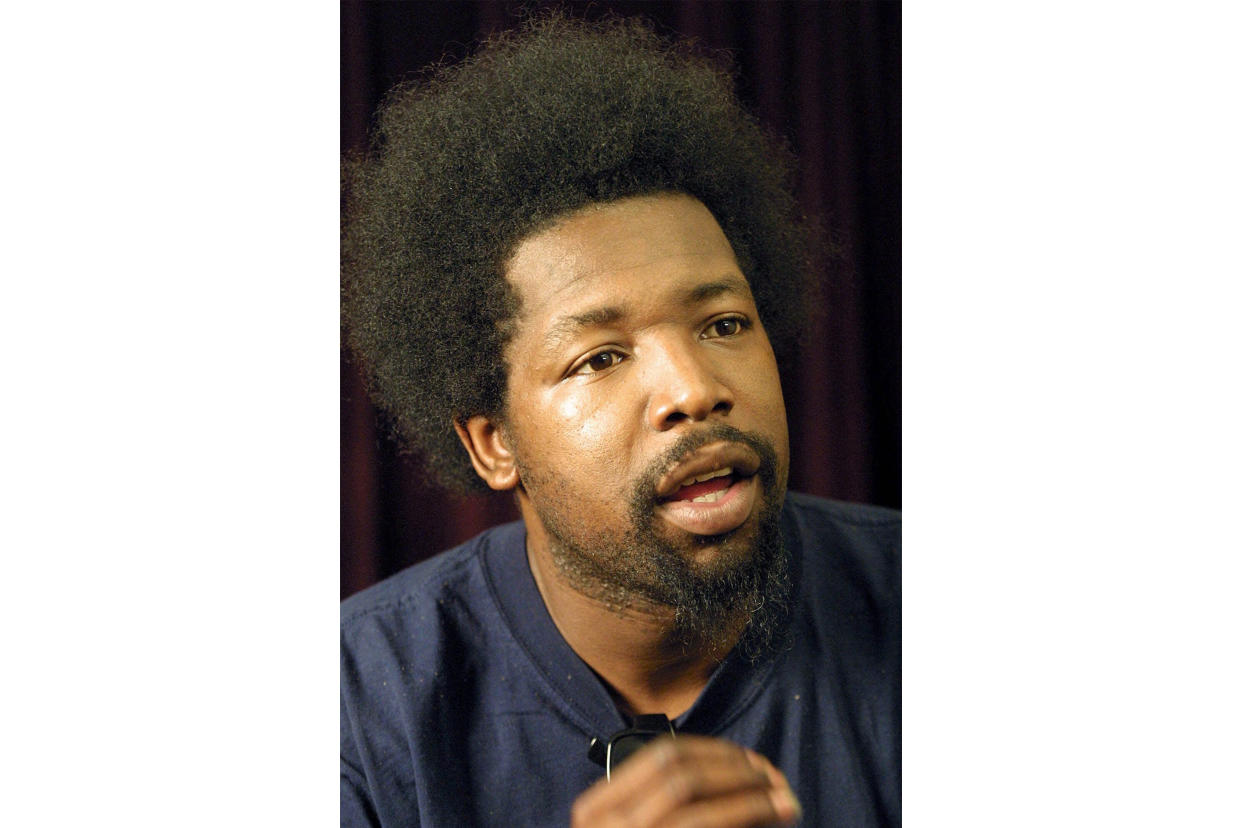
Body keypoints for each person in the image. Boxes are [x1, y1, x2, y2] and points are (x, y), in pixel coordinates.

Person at [341, 16, 899, 827]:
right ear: (494, 444)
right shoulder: (355, 708)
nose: (694, 388)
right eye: (600, 357)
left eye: (724, 324)